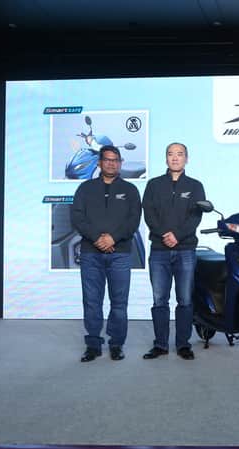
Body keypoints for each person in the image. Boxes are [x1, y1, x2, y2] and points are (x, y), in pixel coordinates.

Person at [71, 145, 142, 362]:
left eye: (115, 160)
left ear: (120, 163)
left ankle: (116, 344)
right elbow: (77, 218)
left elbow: (133, 221)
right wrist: (97, 239)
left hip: (120, 254)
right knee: (92, 301)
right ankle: (93, 345)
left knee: (119, 303)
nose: (111, 163)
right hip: (91, 254)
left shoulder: (130, 190)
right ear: (99, 163)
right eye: (107, 159)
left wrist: (113, 238)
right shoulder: (85, 188)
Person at [142, 142, 205, 361]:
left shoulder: (195, 186)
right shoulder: (154, 185)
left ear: (186, 158)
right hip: (159, 250)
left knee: (185, 299)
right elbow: (149, 214)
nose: (175, 158)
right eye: (171, 154)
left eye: (179, 154)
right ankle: (160, 345)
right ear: (166, 158)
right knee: (159, 299)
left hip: (185, 249)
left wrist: (177, 235)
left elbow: (196, 216)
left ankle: (183, 345)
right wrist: (164, 234)